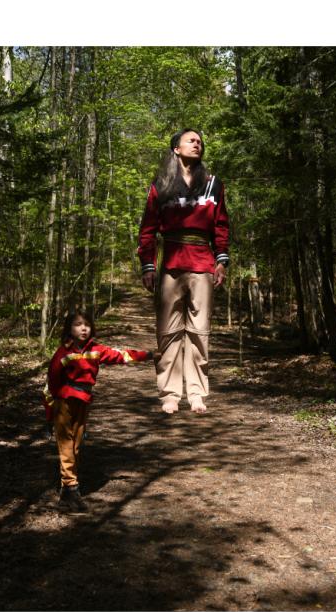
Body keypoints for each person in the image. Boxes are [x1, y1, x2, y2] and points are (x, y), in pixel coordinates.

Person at [138, 128, 230, 414]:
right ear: (175, 149)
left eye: (200, 141)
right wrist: (148, 266)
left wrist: (221, 261)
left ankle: (196, 392)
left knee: (199, 331)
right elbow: (148, 229)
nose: (197, 144)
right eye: (191, 140)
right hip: (171, 264)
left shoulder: (213, 184)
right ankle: (169, 393)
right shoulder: (161, 184)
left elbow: (221, 225)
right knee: (168, 332)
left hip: (203, 264)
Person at [42, 311, 152, 512]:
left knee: (75, 444)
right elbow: (51, 384)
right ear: (69, 329)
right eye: (77, 324)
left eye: (87, 325)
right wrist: (50, 415)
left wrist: (149, 355)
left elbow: (121, 355)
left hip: (83, 401)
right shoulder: (62, 354)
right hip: (64, 403)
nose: (83, 328)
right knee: (66, 444)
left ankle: (69, 488)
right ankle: (69, 489)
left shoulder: (96, 350)